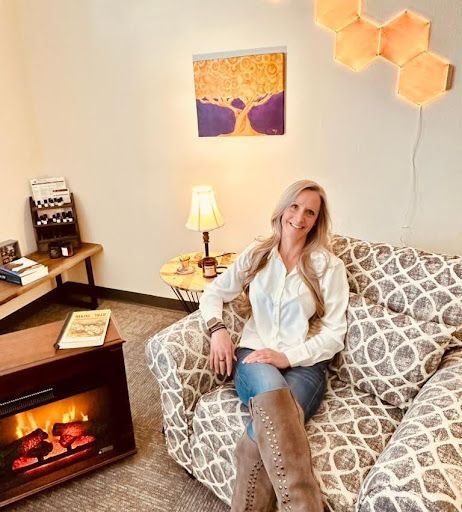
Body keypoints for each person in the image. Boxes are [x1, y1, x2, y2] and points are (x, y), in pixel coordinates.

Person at [199, 179, 349, 512]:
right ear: (282, 209)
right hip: (254, 357)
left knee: (262, 431)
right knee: (275, 406)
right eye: (294, 207)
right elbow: (212, 293)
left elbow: (335, 334)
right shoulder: (256, 254)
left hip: (305, 366)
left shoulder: (328, 267)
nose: (300, 217)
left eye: (310, 212)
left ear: (316, 221)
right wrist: (218, 330)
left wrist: (288, 356)